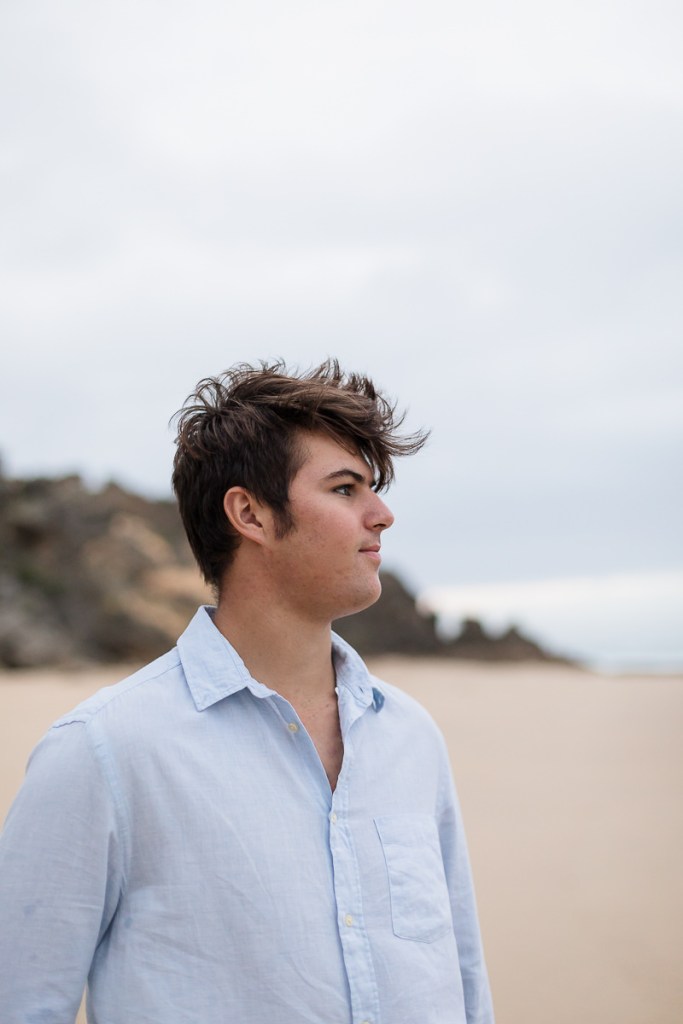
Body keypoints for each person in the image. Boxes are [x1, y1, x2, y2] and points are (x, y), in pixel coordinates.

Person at [0, 359, 494, 1024]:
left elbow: (463, 980)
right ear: (250, 513)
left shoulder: (409, 736)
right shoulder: (103, 751)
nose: (382, 516)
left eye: (372, 489)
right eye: (345, 489)